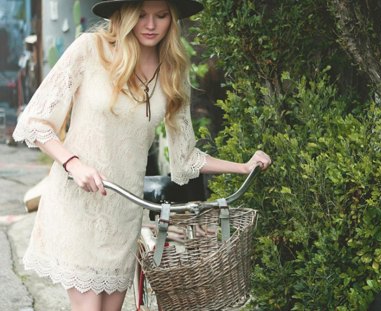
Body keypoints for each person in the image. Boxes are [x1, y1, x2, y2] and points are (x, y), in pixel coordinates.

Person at [12, 0, 272, 310]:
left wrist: (244, 167)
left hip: (123, 212)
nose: (150, 25)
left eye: (160, 16)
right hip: (77, 205)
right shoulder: (90, 49)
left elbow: (185, 158)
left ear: (171, 19)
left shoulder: (173, 72)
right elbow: (36, 121)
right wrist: (73, 162)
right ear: (125, 16)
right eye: (141, 15)